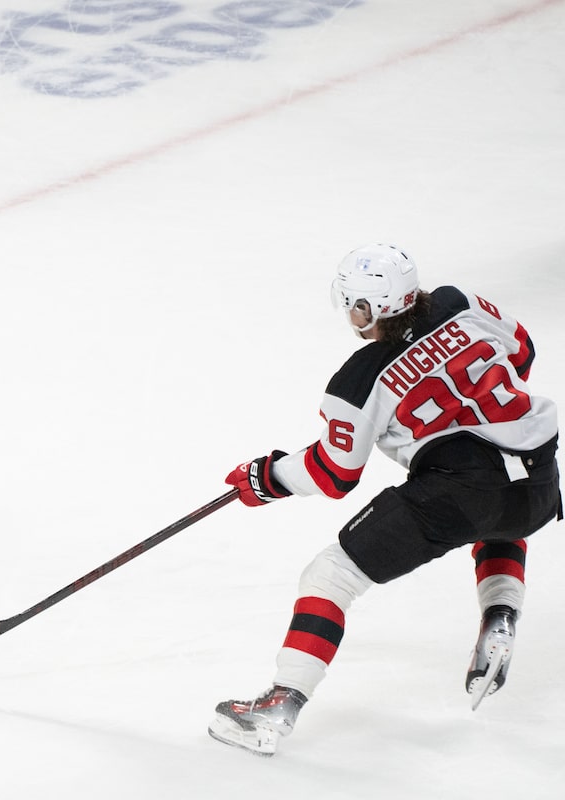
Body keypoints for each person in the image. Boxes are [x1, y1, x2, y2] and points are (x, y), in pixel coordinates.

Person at [210, 243, 561, 757]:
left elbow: (334, 472)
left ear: (371, 309)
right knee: (500, 518)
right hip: (540, 478)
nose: (350, 314)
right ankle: (500, 616)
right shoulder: (460, 301)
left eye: (354, 303)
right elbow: (523, 352)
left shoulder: (358, 380)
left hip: (457, 490)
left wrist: (269, 476)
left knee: (330, 576)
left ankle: (280, 704)